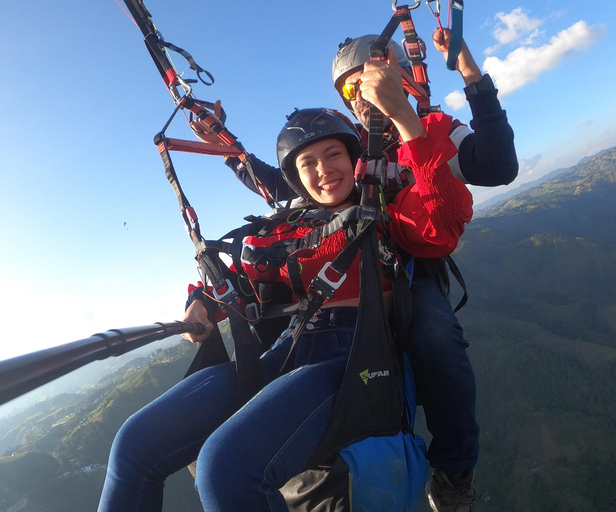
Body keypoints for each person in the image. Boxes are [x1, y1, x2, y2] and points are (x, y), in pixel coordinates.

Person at [97, 91, 474, 510]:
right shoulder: (280, 231)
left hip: (353, 361)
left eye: (333, 154)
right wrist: (201, 304)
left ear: (354, 160)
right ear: (295, 177)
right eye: (307, 163)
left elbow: (441, 224)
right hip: (282, 355)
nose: (324, 170)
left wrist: (408, 122)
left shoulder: (385, 213)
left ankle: (456, 469)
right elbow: (234, 282)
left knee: (223, 466)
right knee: (132, 445)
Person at [192, 31, 518, 512]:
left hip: (410, 265)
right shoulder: (352, 143)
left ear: (397, 76)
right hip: (347, 267)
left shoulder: (431, 126)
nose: (359, 94)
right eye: (348, 89)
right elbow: (289, 182)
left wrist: (468, 71)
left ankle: (454, 472)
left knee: (435, 335)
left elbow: (497, 165)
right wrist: (225, 145)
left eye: (366, 80)